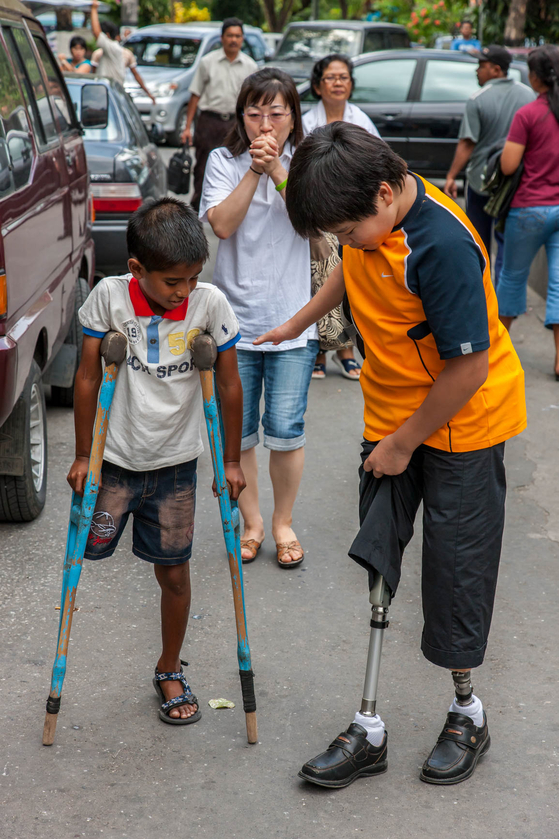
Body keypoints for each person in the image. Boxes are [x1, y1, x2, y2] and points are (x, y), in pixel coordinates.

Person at [255, 123, 526, 786]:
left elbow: (466, 369)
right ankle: (368, 726)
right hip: (391, 417)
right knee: (378, 555)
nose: (344, 243)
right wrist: (296, 324)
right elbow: (349, 271)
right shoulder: (368, 219)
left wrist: (404, 445)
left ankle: (467, 711)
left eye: (347, 229)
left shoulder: (441, 245)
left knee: (453, 573)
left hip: (461, 423)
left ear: (383, 194)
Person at [67, 198, 245, 724]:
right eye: (172, 282)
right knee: (83, 556)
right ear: (136, 269)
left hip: (175, 467)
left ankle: (169, 667)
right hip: (115, 464)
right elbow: (85, 377)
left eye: (192, 278)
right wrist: (83, 455)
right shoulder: (108, 299)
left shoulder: (209, 305)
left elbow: (229, 384)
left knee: (174, 574)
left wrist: (231, 461)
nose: (184, 291)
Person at [200, 68, 318, 568]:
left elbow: (314, 223)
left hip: (293, 321)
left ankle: (282, 522)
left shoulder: (310, 161)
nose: (264, 123)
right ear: (240, 116)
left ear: (293, 116)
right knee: (240, 431)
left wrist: (277, 172)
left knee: (287, 429)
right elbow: (222, 226)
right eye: (254, 113)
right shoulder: (223, 161)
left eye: (276, 112)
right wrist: (253, 170)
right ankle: (250, 522)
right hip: (234, 322)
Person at [303, 53, 380, 382]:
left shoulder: (360, 119)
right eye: (331, 77)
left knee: (352, 280)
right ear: (318, 86)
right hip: (319, 214)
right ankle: (320, 350)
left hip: (353, 213)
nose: (338, 82)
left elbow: (378, 163)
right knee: (319, 281)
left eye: (344, 77)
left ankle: (347, 350)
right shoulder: (306, 121)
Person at [444, 45, 534, 285]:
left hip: (480, 183)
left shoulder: (477, 99)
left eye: (481, 66)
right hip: (515, 183)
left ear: (496, 69)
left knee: (478, 242)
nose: (477, 71)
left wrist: (451, 175)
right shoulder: (529, 96)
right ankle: (505, 297)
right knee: (506, 242)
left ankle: (484, 295)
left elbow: (467, 143)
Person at [497, 45, 559, 378]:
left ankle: (496, 349)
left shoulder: (529, 114)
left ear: (534, 77)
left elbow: (508, 165)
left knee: (512, 277)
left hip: (531, 208)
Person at [182, 18, 257, 212]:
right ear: (222, 38)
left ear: (242, 39)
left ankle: (229, 207)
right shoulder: (208, 62)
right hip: (209, 121)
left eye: (238, 36)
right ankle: (198, 208)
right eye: (230, 35)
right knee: (202, 166)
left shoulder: (250, 66)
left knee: (237, 164)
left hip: (236, 123)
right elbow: (195, 94)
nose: (233, 40)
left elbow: (254, 102)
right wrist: (187, 128)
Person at [90, 0, 155, 104]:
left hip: (109, 92)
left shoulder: (112, 48)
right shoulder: (108, 51)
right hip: (110, 91)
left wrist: (94, 9)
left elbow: (96, 32)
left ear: (107, 35)